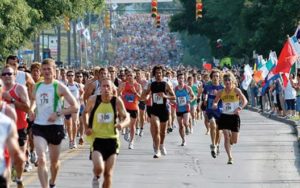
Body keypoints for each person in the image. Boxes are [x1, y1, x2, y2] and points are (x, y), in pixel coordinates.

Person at [29, 58, 78, 188]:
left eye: (49, 69)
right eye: (43, 69)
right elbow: (33, 100)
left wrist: (58, 113)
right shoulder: (37, 86)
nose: (46, 72)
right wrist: (32, 110)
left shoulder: (59, 86)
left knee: (54, 162)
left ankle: (52, 182)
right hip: (39, 126)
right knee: (41, 159)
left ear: (54, 71)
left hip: (55, 127)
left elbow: (75, 106)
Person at [83, 78, 130, 188]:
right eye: (103, 86)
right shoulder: (93, 99)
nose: (106, 89)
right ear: (100, 89)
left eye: (108, 86)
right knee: (99, 168)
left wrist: (121, 125)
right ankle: (96, 177)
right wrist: (87, 127)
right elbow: (84, 113)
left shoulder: (117, 101)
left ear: (113, 89)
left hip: (112, 140)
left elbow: (126, 117)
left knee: (108, 174)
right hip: (96, 139)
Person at [2, 65, 31, 185]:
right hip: (3, 130)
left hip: (19, 127)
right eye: (5, 74)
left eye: (10, 74)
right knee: (5, 160)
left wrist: (12, 99)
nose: (7, 76)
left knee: (19, 159)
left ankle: (19, 178)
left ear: (15, 75)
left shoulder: (20, 89)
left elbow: (27, 108)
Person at [212, 72, 248, 164]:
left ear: (232, 81)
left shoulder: (236, 90)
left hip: (234, 117)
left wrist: (239, 108)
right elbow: (215, 101)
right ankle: (230, 157)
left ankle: (231, 139)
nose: (227, 82)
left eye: (229, 80)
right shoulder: (221, 92)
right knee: (226, 137)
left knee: (234, 140)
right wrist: (215, 105)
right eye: (225, 80)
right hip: (224, 116)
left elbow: (245, 101)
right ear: (223, 82)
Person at [141, 65, 176, 158]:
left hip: (164, 110)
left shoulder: (166, 84)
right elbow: (144, 94)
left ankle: (161, 145)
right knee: (156, 129)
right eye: (156, 73)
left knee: (163, 132)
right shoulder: (151, 84)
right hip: (154, 109)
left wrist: (165, 96)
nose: (158, 74)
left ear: (162, 74)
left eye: (160, 73)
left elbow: (174, 97)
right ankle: (157, 151)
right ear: (154, 74)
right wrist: (144, 98)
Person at [202, 69, 223, 158]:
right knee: (213, 124)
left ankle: (217, 144)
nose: (215, 78)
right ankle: (213, 145)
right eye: (214, 76)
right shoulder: (207, 87)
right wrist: (205, 100)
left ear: (219, 78)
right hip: (210, 110)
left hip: (220, 110)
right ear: (211, 77)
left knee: (219, 130)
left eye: (217, 76)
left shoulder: (222, 88)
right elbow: (204, 95)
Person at [118, 70, 142, 149]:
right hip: (125, 107)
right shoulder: (123, 85)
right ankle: (126, 131)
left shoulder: (138, 86)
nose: (129, 77)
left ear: (134, 76)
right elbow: (117, 93)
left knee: (132, 125)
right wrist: (122, 96)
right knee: (126, 122)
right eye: (128, 75)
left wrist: (134, 92)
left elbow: (140, 98)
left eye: (131, 75)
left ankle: (131, 142)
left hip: (134, 107)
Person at [174, 73, 195, 146]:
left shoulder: (187, 88)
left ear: (184, 79)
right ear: (177, 79)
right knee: (180, 126)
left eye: (182, 78)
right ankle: (183, 140)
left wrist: (190, 101)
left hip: (186, 108)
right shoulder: (175, 89)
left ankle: (187, 126)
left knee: (185, 122)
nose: (181, 79)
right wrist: (173, 101)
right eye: (179, 78)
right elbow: (172, 97)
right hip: (178, 109)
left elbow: (193, 96)